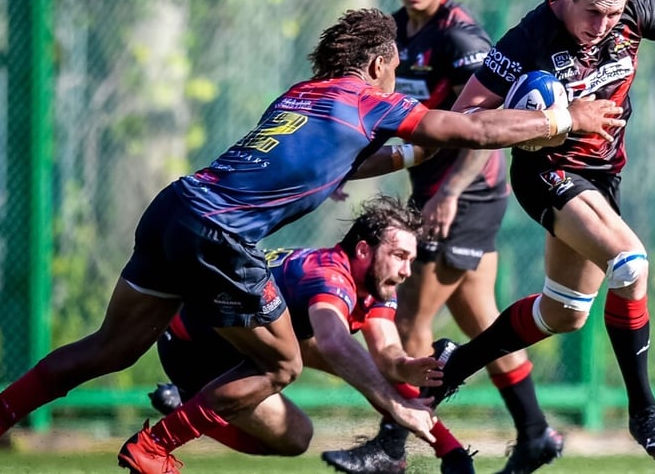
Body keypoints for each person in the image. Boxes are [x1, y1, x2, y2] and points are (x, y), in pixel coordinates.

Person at [0, 8, 624, 474]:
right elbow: (468, 130)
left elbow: (355, 158)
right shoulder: (368, 98)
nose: (395, 80)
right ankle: (156, 447)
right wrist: (565, 119)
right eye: (393, 70)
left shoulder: (302, 96)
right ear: (378, 64)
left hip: (175, 208)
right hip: (222, 234)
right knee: (280, 365)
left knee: (109, 347)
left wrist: (418, 148)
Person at [420, 0, 655, 463]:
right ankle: (646, 414)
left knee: (566, 313)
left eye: (614, 13)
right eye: (593, 11)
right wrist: (560, 118)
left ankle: (458, 362)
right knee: (631, 264)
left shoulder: (632, 8)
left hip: (603, 179)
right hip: (547, 173)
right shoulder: (529, 38)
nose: (604, 24)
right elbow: (465, 118)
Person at [324, 0, 563, 474]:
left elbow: (483, 125)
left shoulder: (462, 41)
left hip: (466, 197)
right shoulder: (396, 38)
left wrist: (450, 194)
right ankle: (535, 434)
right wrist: (346, 165)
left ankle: (393, 444)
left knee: (409, 322)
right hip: (434, 194)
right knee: (483, 321)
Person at [150, 195, 475, 474]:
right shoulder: (328, 278)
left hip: (245, 340)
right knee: (297, 437)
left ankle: (451, 453)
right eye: (400, 257)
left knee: (359, 364)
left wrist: (406, 365)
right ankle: (189, 406)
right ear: (364, 250)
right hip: (193, 347)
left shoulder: (375, 283)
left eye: (411, 260)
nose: (406, 271)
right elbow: (335, 343)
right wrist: (396, 407)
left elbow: (385, 352)